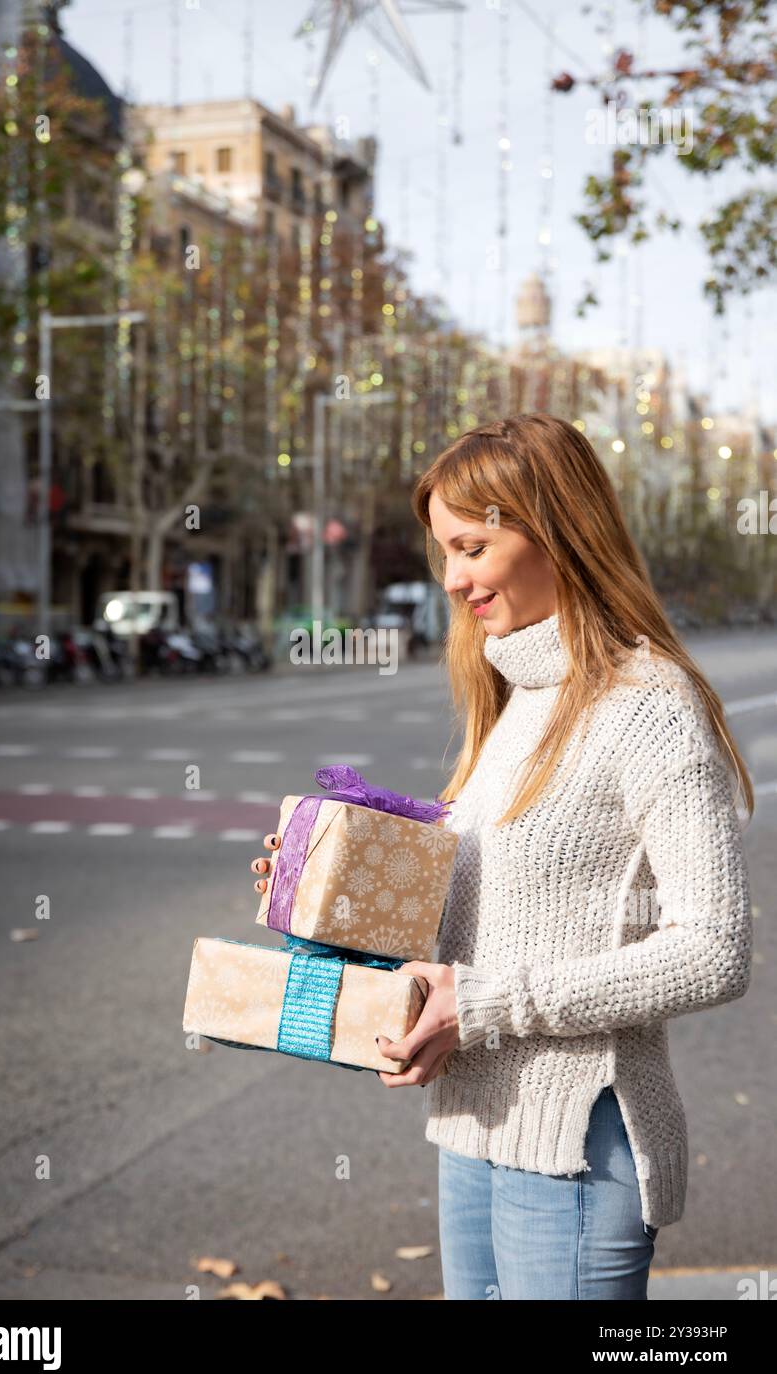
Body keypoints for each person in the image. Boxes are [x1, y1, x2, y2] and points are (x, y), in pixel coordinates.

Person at [250, 412, 755, 1300]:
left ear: (555, 530)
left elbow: (714, 950)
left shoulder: (647, 705)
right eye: (444, 552)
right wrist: (335, 895)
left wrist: (481, 1003)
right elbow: (493, 919)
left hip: (573, 1146)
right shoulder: (513, 699)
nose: (451, 579)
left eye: (472, 547)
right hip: (470, 1131)